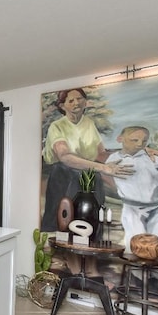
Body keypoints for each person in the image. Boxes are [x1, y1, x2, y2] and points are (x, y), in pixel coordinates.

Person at [41, 88, 134, 234]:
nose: (76, 103)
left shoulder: (89, 123)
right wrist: (102, 168)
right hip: (64, 176)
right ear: (62, 106)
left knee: (93, 221)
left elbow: (101, 154)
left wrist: (125, 156)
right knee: (64, 221)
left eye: (79, 99)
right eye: (70, 100)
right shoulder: (57, 126)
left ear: (85, 102)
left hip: (90, 175)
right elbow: (65, 157)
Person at [106, 126, 158, 258]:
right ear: (120, 139)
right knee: (135, 246)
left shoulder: (154, 159)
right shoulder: (112, 159)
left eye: (144, 141)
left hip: (156, 209)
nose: (139, 144)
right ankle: (136, 277)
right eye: (134, 140)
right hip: (131, 209)